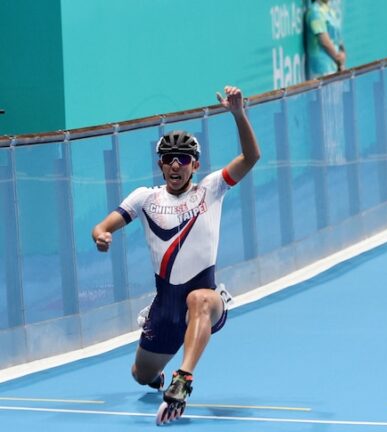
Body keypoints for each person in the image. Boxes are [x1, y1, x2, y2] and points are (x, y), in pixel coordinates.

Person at [91, 85, 261, 425]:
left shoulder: (211, 188)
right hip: (165, 309)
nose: (175, 165)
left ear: (194, 164)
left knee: (199, 299)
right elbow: (104, 224)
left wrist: (239, 115)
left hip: (205, 299)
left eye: (183, 159)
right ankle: (159, 376)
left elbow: (250, 157)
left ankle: (183, 379)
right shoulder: (145, 198)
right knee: (140, 374)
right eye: (168, 159)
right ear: (160, 164)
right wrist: (102, 234)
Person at [305, 0, 345, 79]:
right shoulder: (314, 13)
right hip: (321, 68)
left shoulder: (330, 11)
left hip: (335, 65)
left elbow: (338, 37)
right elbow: (324, 41)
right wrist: (337, 58)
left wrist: (342, 53)